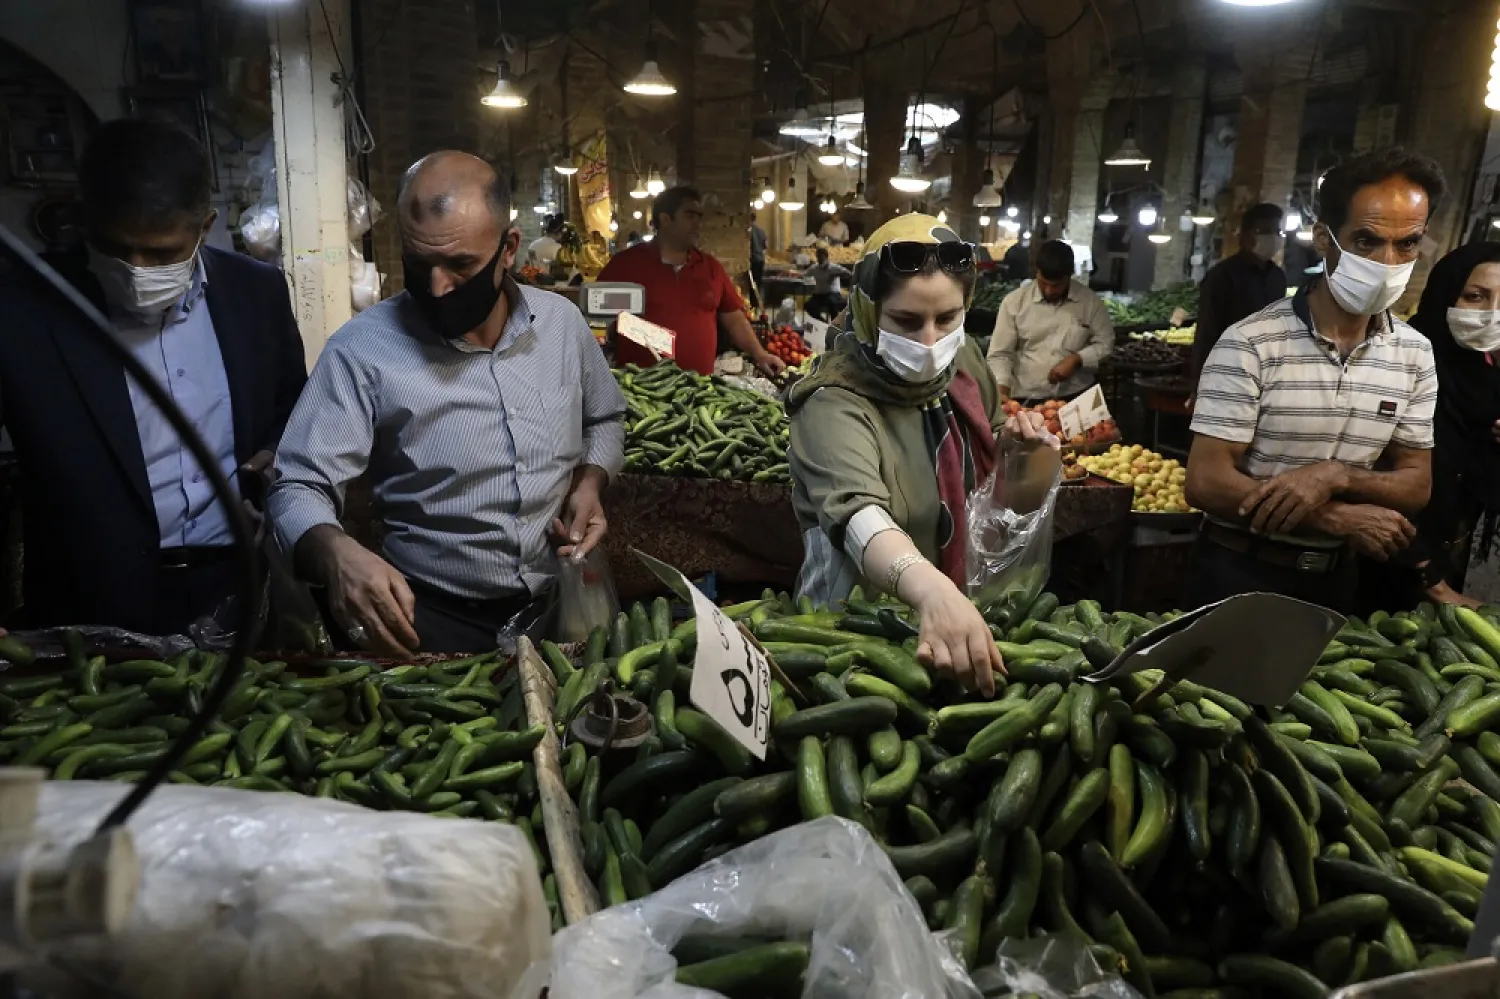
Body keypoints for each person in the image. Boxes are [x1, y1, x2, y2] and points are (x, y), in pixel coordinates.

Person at [268, 151, 626, 655]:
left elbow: (605, 416)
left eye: (460, 265)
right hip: (426, 619)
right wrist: (334, 551)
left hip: (556, 606)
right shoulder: (362, 351)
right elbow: (297, 485)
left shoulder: (562, 325)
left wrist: (591, 482)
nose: (437, 287)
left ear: (508, 250)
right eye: (419, 264)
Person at [0, 117, 306, 633]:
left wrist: (276, 453)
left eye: (161, 253)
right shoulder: (24, 306)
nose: (135, 268)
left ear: (205, 228)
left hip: (233, 585)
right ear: (84, 219)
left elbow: (291, 406)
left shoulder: (256, 294)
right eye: (114, 248)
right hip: (88, 599)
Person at [787, 214, 1054, 696]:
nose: (930, 342)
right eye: (907, 322)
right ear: (868, 310)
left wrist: (1023, 453)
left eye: (947, 318)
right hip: (853, 643)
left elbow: (993, 479)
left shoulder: (966, 364)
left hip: (955, 627)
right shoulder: (831, 400)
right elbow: (858, 514)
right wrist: (931, 591)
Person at [1185, 147, 1445, 612]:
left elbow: (1415, 484)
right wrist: (1334, 517)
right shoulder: (1251, 342)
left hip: (1335, 581)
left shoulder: (1414, 354)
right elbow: (1206, 480)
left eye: (1406, 244)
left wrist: (1335, 474)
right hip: (1239, 571)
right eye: (1366, 241)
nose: (1387, 261)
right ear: (1324, 239)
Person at [1356, 241, 1500, 610]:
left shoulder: (1484, 377)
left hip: (1446, 559)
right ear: (1444, 294)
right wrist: (1431, 581)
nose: (1491, 313)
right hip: (1378, 564)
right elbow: (1373, 479)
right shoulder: (1400, 365)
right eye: (1475, 297)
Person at [598, 186, 784, 377]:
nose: (697, 223)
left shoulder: (711, 268)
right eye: (689, 216)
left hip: (699, 389)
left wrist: (760, 354)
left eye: (699, 216)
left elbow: (735, 319)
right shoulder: (625, 265)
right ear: (665, 219)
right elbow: (598, 321)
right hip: (641, 389)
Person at [985, 239, 1114, 402]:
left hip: (1075, 395)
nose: (1049, 290)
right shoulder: (1014, 303)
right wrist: (1002, 391)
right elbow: (1000, 354)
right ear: (1037, 272)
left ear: (1070, 275)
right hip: (1025, 397)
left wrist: (1076, 359)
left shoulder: (1090, 303)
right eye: (1043, 283)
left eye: (1057, 285)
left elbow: (1105, 343)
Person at [1191, 203, 1288, 393]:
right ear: (1243, 236)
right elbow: (1207, 331)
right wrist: (1199, 383)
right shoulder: (1222, 276)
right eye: (1263, 231)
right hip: (1229, 372)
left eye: (1277, 232)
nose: (1273, 238)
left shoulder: (1277, 277)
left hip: (1267, 374)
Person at [803, 246, 853, 322]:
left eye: (821, 257)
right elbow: (805, 278)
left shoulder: (834, 267)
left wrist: (837, 274)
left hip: (833, 294)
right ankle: (822, 321)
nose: (819, 259)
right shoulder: (814, 268)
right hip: (819, 294)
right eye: (818, 257)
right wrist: (813, 285)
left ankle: (835, 323)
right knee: (808, 305)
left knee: (832, 303)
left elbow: (849, 274)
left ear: (826, 257)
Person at [748, 213, 767, 308]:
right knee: (759, 283)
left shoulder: (749, 231)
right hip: (761, 260)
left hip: (753, 260)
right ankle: (759, 303)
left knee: (752, 284)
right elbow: (764, 248)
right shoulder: (761, 231)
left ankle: (753, 304)